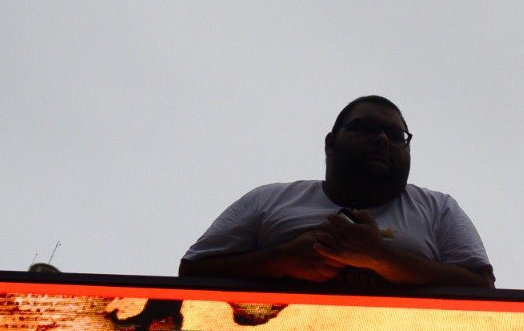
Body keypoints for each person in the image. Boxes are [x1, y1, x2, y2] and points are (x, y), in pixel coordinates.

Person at [179, 96, 494, 290]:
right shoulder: (268, 201)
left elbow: (482, 286)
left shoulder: (439, 209)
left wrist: (380, 257)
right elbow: (192, 270)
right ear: (331, 143)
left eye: (396, 135)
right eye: (366, 128)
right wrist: (282, 259)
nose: (383, 139)